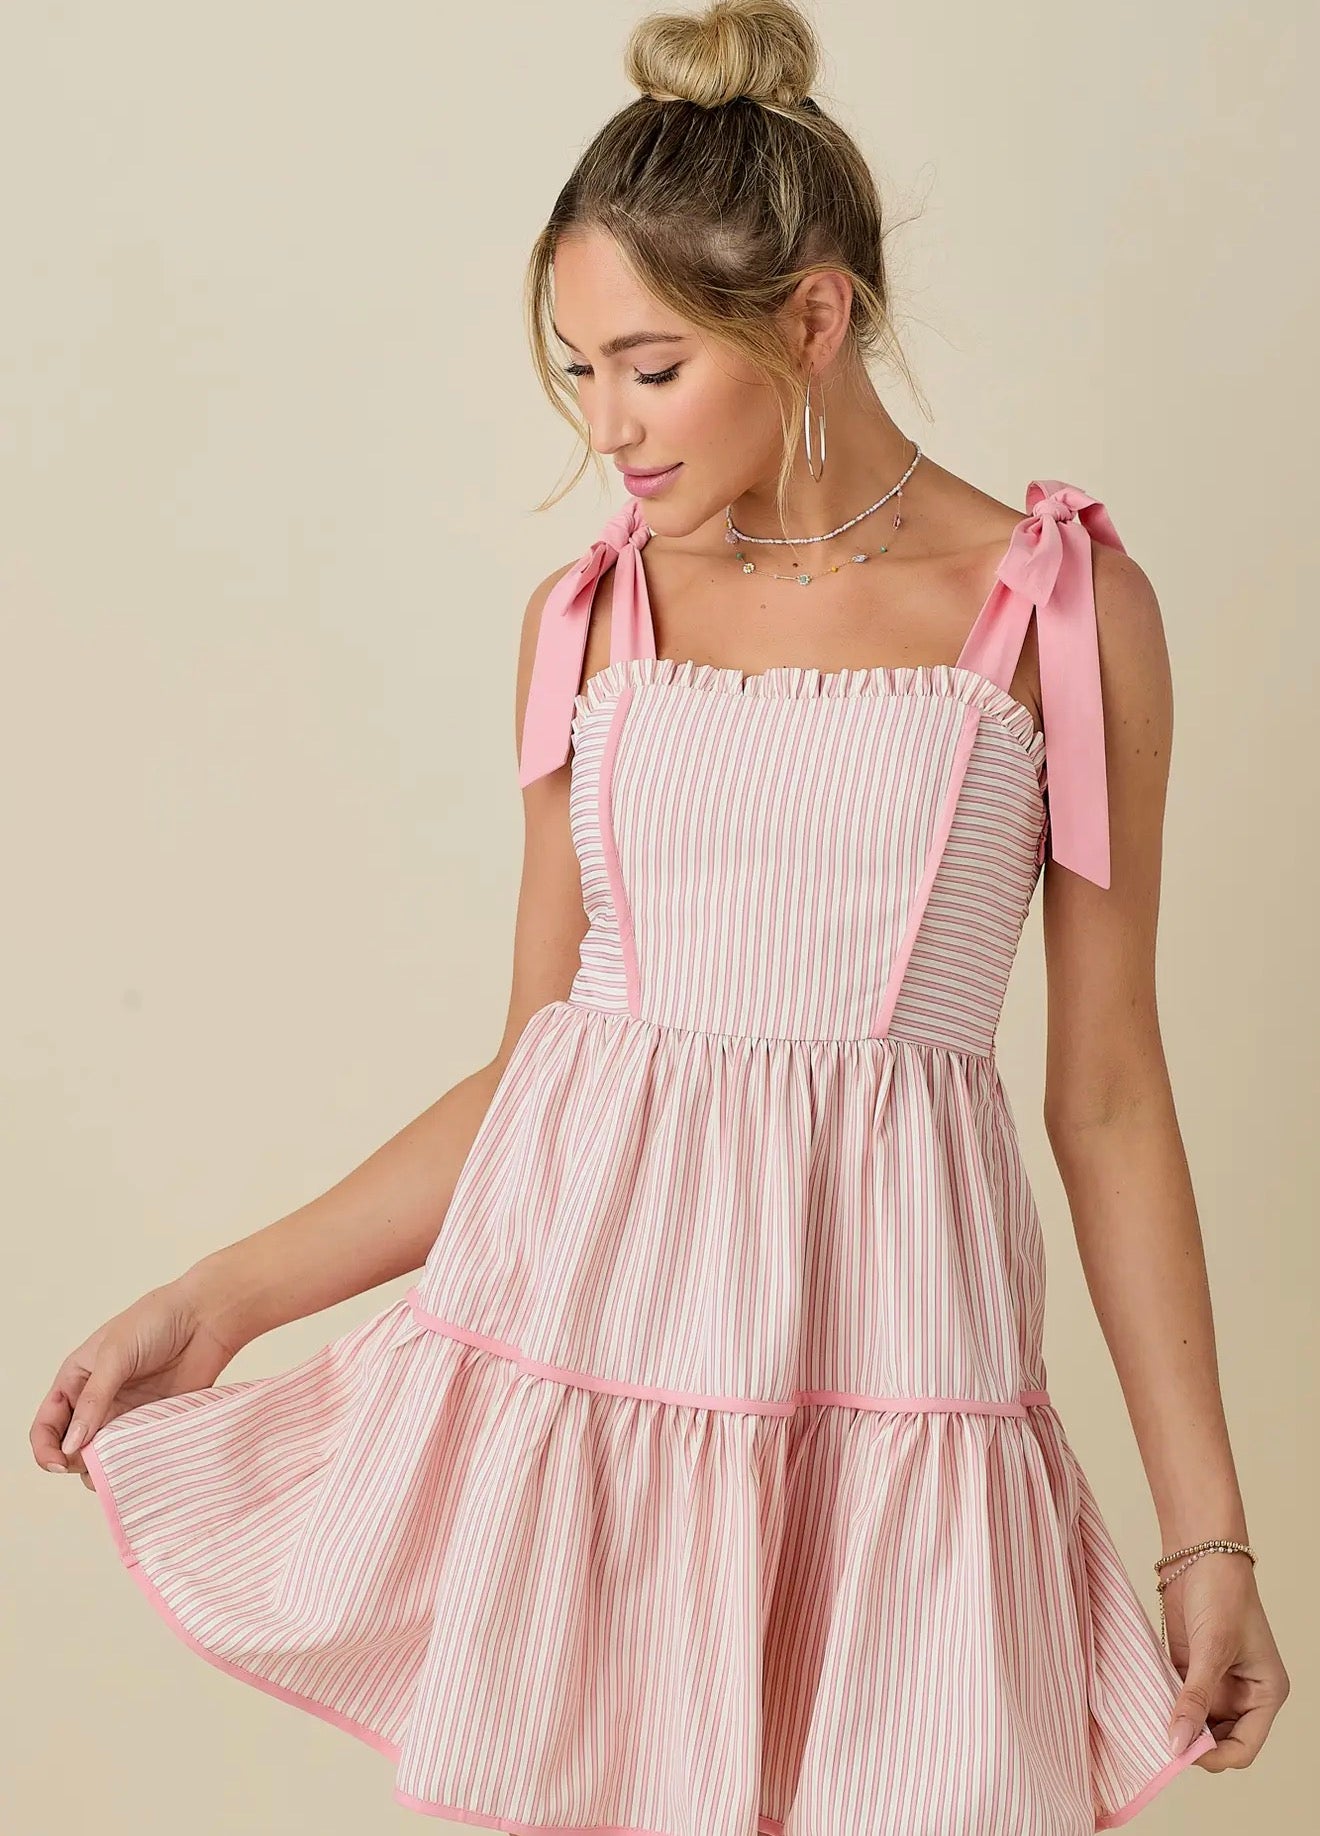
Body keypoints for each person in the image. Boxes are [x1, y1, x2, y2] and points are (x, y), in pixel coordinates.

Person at [31, 1, 1288, 1829]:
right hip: (597, 1400)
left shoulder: (1059, 609)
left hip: (891, 1404)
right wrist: (215, 1302)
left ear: (813, 321)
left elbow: (1105, 1099)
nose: (606, 426)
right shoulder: (595, 620)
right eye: (579, 370)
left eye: (648, 366)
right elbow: (541, 1073)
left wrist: (1205, 1536)